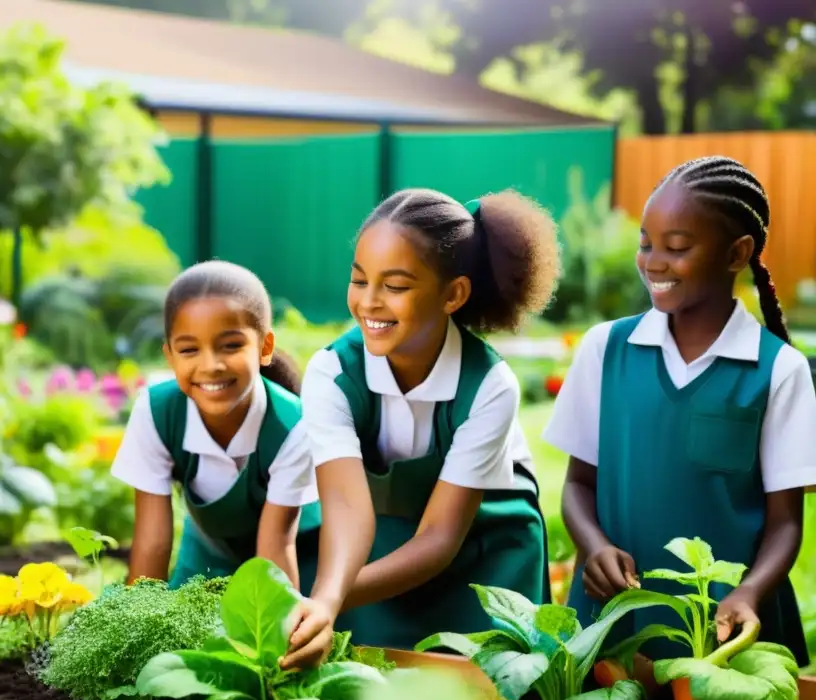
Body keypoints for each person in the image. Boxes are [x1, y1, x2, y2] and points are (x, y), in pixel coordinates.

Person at [544, 156, 816, 664]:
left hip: (728, 636)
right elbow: (579, 484)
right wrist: (594, 544)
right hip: (614, 623)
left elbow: (785, 524)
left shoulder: (778, 370)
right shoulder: (606, 350)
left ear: (737, 253)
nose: (653, 262)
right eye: (646, 243)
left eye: (677, 247)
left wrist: (749, 592)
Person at [283, 187, 561, 665]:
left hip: (481, 542)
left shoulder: (490, 385)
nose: (369, 302)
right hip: (373, 534)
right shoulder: (332, 372)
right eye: (359, 280)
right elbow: (348, 506)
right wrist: (325, 599)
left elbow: (438, 536)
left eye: (395, 286)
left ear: (452, 294)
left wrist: (331, 599)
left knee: (488, 692)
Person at [112, 260, 321, 591]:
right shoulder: (156, 412)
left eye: (231, 345)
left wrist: (277, 630)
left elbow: (276, 549)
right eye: (189, 349)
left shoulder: (293, 426)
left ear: (264, 347)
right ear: (170, 357)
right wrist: (139, 630)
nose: (210, 365)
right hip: (207, 554)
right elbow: (152, 544)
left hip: (299, 553)